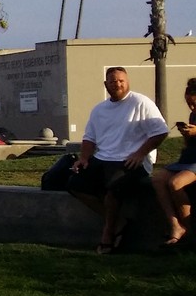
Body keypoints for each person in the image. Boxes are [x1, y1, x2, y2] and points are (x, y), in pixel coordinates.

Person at [67, 67, 169, 254]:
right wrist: (83, 158)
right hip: (104, 157)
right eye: (113, 81)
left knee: (113, 190)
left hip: (132, 161)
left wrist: (140, 154)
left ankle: (108, 234)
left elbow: (161, 132)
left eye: (121, 80)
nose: (118, 84)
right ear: (106, 85)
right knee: (75, 183)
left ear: (128, 81)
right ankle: (118, 222)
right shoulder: (99, 109)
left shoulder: (140, 103)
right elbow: (89, 138)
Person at [151, 77, 196, 244]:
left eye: (194, 104)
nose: (192, 108)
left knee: (175, 183)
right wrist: (187, 135)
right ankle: (175, 224)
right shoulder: (193, 115)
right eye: (189, 104)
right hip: (189, 158)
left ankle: (190, 228)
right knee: (158, 179)